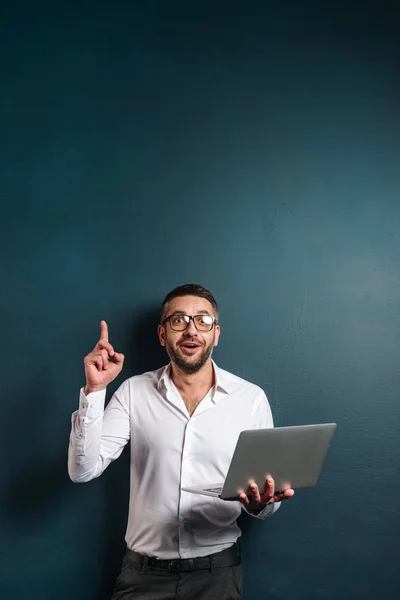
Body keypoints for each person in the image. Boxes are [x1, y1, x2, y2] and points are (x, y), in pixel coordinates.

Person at [68, 284, 294, 600]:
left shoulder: (251, 399)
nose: (191, 330)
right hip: (142, 577)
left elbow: (268, 500)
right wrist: (94, 391)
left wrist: (259, 506)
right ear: (163, 334)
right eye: (179, 320)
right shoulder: (134, 392)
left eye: (203, 320)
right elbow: (83, 470)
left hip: (217, 577)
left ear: (216, 333)